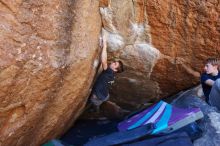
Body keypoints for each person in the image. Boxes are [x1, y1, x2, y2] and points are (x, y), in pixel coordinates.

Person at [89, 32, 124, 112]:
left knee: (95, 104)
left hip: (98, 96)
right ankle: (103, 104)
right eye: (115, 62)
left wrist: (104, 43)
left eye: (114, 64)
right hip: (105, 94)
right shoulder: (112, 75)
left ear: (115, 69)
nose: (112, 62)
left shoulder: (109, 72)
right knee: (104, 99)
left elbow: (104, 61)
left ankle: (96, 109)